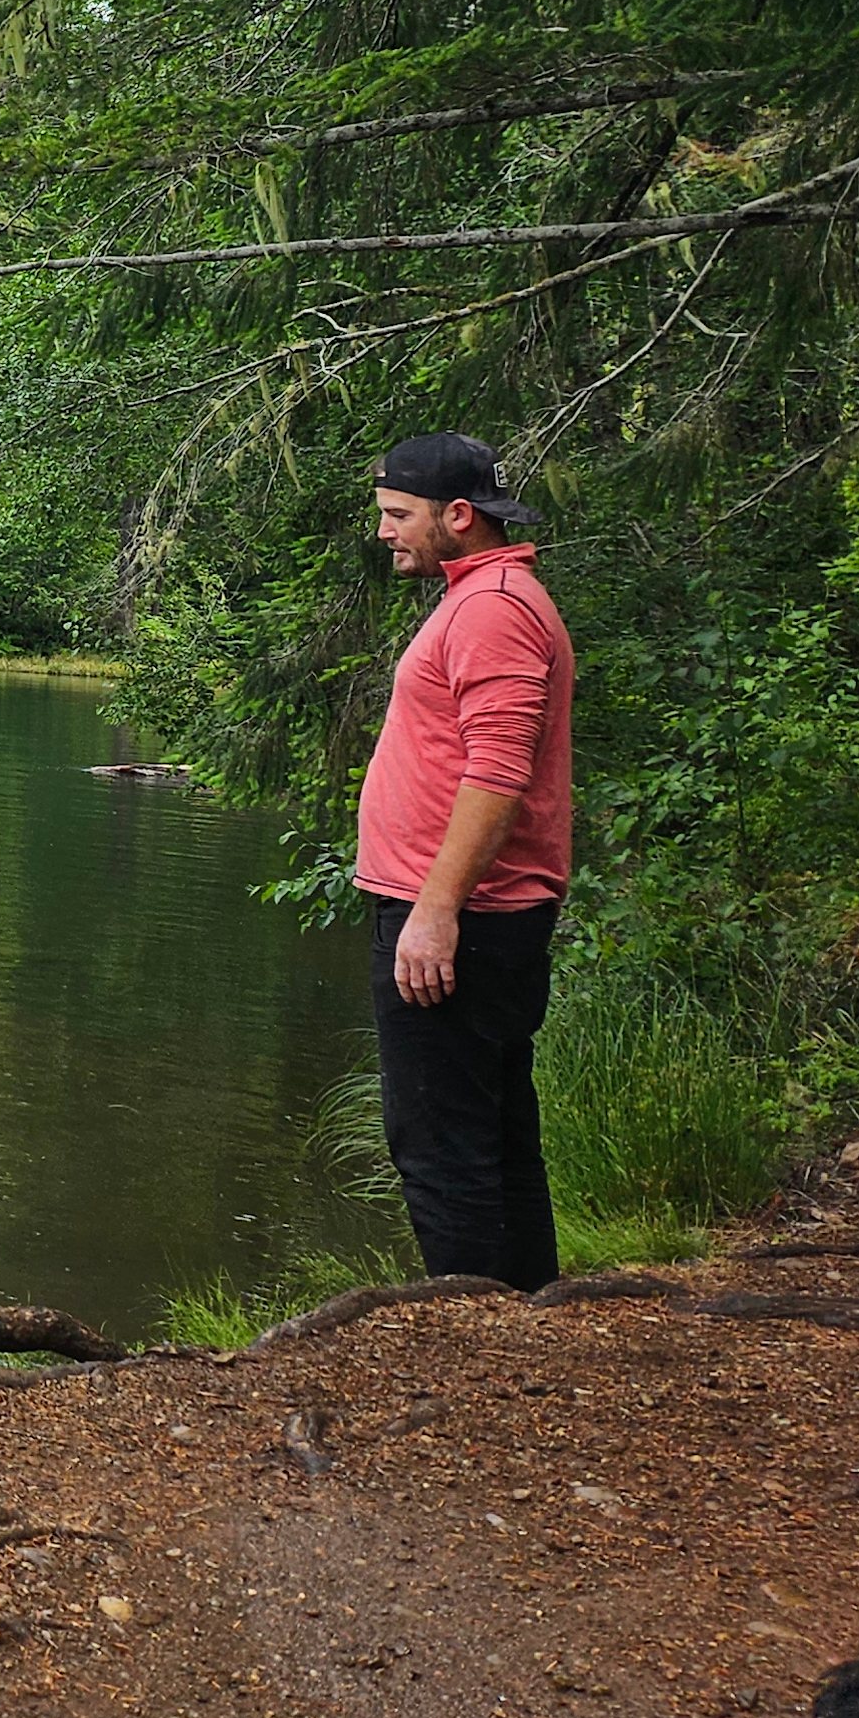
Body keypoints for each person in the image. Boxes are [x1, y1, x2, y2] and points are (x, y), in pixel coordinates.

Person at [356, 430, 576, 1290]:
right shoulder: (486, 597)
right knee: (493, 1134)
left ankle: (468, 1343)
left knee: (441, 1149)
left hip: (464, 921)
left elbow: (500, 771)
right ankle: (527, 1318)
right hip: (467, 917)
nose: (385, 532)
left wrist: (435, 911)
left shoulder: (492, 610)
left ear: (458, 516)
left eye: (397, 515)